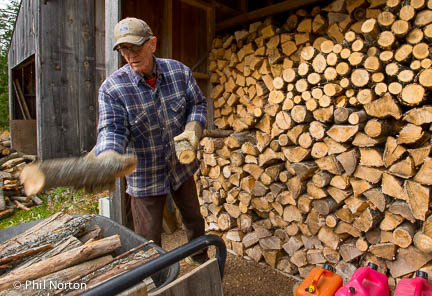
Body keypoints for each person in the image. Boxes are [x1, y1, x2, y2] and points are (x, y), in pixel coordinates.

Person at [93, 17, 208, 264]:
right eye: (124, 49)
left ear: (152, 44)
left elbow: (197, 103)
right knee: (147, 239)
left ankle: (200, 262)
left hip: (181, 165)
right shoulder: (112, 88)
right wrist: (109, 154)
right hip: (145, 174)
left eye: (135, 47)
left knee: (194, 219)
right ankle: (159, 281)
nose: (130, 54)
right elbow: (112, 128)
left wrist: (192, 128)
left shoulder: (179, 72)